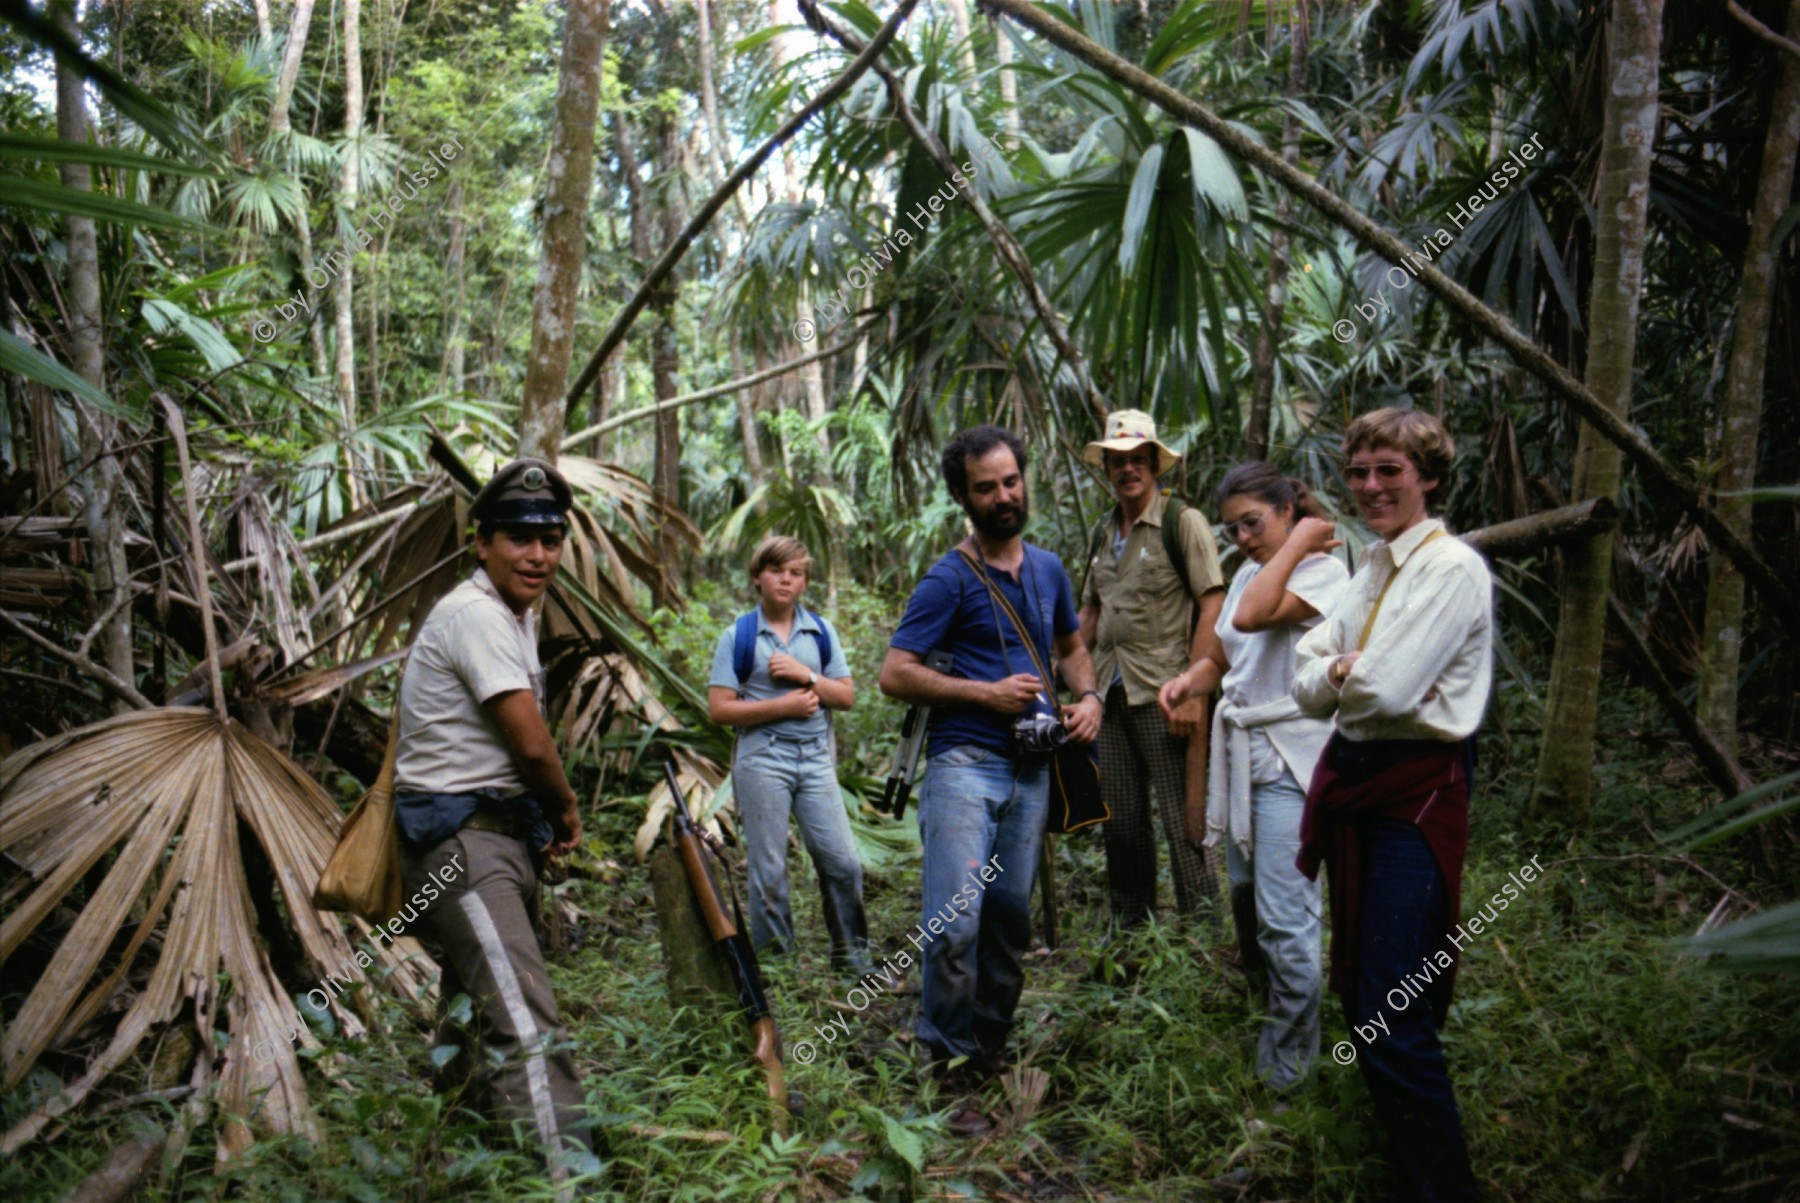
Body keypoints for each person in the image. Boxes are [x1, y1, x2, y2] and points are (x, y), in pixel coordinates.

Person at [878, 424, 1102, 1137]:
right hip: (963, 765)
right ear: (962, 497)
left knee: (1007, 918)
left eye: (1011, 481)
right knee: (955, 921)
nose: (1004, 496)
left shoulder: (1048, 568)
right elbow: (895, 672)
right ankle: (945, 1067)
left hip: (1031, 772)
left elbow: (1072, 647)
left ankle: (988, 1052)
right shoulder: (948, 577)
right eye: (986, 487)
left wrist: (1089, 698)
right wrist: (986, 693)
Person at [1291, 409, 1492, 1200]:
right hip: (1360, 775)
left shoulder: (1452, 568)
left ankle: (1445, 1189)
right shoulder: (1371, 567)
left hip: (1417, 783)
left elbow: (1387, 686)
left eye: (1391, 471)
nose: (1371, 486)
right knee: (1367, 995)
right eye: (1361, 471)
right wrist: (1344, 669)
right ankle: (1406, 1171)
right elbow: (1306, 686)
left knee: (1391, 1005)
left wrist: (1340, 669)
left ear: (1429, 477)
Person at [391, 457, 596, 1185]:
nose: (538, 554)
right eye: (518, 537)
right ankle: (566, 1179)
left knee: (473, 1015)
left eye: (551, 538)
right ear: (481, 541)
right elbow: (532, 744)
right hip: (462, 842)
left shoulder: (511, 614)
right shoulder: (478, 614)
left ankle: (457, 1168)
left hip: (486, 835)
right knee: (522, 1017)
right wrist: (565, 805)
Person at [1157, 463, 1346, 1094]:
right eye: (1234, 526)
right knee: (1247, 909)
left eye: (1254, 523)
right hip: (1243, 760)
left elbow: (1254, 620)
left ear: (1291, 510)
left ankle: (1288, 1075)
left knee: (1285, 917)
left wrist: (1298, 543)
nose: (1242, 537)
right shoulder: (1246, 574)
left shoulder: (1322, 571)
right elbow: (1222, 655)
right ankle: (1272, 1024)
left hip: (1291, 758)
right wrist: (1190, 682)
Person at [1077, 409, 1226, 928]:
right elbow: (1090, 613)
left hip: (1166, 693)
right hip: (1109, 695)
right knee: (1121, 823)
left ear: (1155, 464)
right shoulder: (1102, 530)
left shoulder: (1182, 521)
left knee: (1185, 822)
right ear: (1108, 469)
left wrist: (1194, 691)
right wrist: (1073, 681)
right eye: (1118, 461)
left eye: (1138, 459)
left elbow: (1212, 603)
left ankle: (1204, 942)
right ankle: (1131, 937)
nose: (1128, 470)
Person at [707, 535, 868, 974]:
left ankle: (852, 958)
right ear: (758, 576)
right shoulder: (738, 636)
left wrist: (806, 675)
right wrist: (785, 705)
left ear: (805, 582)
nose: (786, 579)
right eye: (777, 570)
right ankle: (779, 968)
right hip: (763, 758)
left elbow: (847, 697)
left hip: (815, 758)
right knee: (769, 869)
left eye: (796, 573)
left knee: (842, 861)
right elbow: (720, 709)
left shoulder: (820, 631)